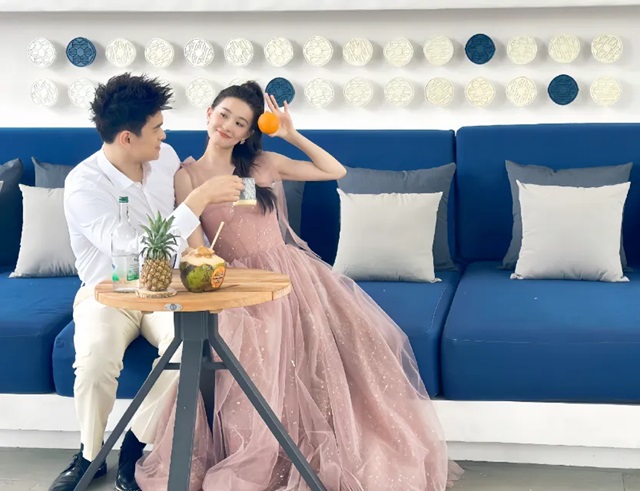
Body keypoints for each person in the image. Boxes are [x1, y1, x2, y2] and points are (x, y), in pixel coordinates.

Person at [135, 81, 463, 490]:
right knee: (252, 353)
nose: (228, 126)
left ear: (248, 133)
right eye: (224, 115)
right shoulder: (187, 177)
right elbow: (196, 249)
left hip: (288, 275)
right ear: (209, 114)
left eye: (240, 123)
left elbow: (334, 171)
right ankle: (250, 450)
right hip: (235, 282)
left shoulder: (263, 164)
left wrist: (291, 134)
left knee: (361, 338)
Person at [50, 73, 244, 491]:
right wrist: (198, 200)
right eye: (156, 128)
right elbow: (136, 248)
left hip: (167, 289)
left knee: (190, 348)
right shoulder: (84, 185)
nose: (164, 135)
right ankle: (89, 454)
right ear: (126, 138)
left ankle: (134, 445)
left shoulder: (166, 158)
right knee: (95, 358)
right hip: (108, 293)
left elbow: (179, 236)